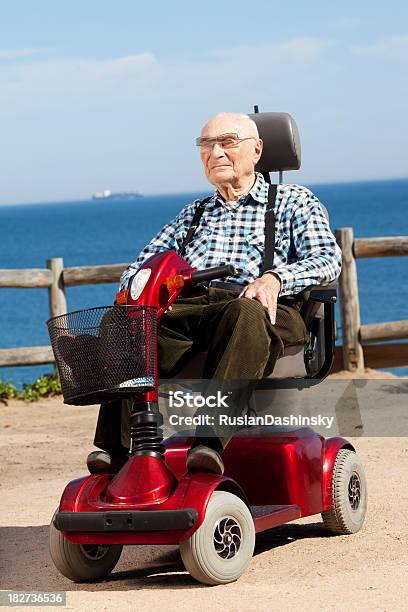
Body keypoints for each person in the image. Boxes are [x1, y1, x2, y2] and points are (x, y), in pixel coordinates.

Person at [87, 112, 342, 475]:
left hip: (264, 308)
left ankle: (208, 443)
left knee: (244, 312)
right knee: (125, 321)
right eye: (206, 145)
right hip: (193, 309)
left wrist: (275, 278)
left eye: (227, 142)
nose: (216, 152)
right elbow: (141, 266)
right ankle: (118, 449)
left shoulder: (294, 201)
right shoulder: (193, 214)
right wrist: (138, 290)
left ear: (257, 150)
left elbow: (327, 259)